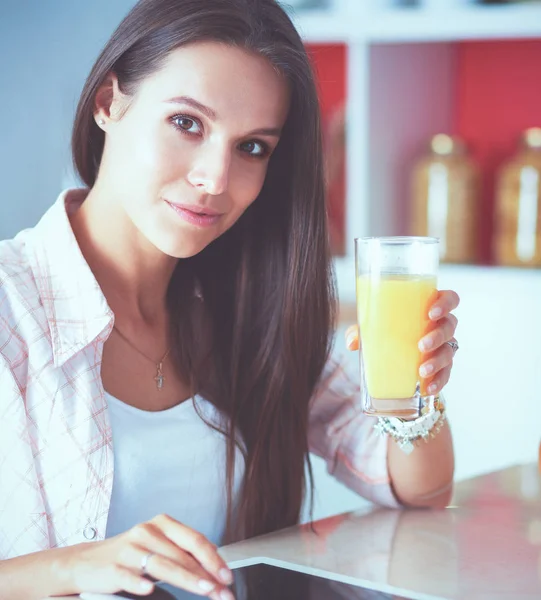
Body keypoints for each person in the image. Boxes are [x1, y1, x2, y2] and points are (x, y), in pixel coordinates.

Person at [0, 0, 459, 598]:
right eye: (187, 123)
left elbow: (418, 490)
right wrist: (74, 566)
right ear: (108, 103)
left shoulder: (244, 306)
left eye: (252, 148)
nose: (216, 178)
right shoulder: (13, 308)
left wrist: (416, 388)